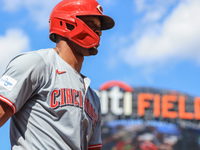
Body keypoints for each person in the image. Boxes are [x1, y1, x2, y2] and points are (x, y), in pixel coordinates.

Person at [0, 0, 114, 149]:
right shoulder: (36, 63)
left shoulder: (93, 98)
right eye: (91, 23)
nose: (98, 32)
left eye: (99, 28)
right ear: (67, 23)